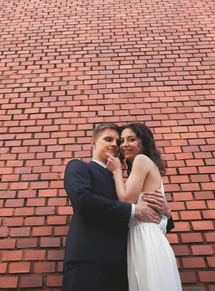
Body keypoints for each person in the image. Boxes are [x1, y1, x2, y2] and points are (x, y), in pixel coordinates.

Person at [63, 123, 175, 291]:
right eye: (108, 139)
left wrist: (167, 212)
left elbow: (152, 218)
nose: (116, 144)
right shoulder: (79, 167)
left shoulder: (123, 182)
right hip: (89, 261)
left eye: (118, 141)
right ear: (93, 143)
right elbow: (83, 200)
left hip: (125, 265)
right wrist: (134, 210)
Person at [106, 123, 182, 291]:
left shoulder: (141, 160)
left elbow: (127, 201)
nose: (124, 144)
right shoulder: (143, 166)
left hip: (145, 237)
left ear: (144, 142)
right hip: (144, 236)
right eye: (122, 140)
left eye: (131, 139)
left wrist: (117, 171)